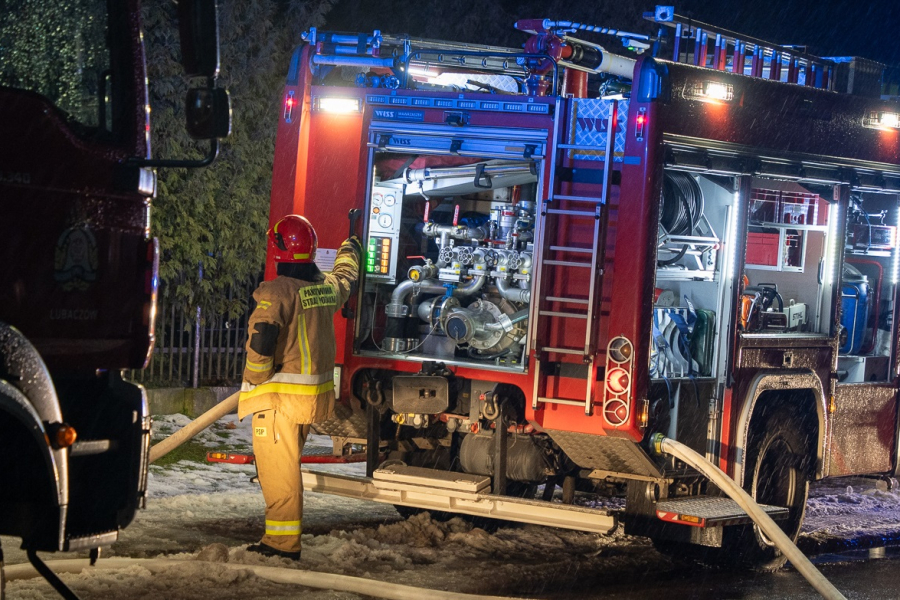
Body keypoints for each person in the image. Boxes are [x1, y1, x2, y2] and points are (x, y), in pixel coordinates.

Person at [239, 214, 361, 560]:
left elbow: (261, 342)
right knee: (286, 467)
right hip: (310, 401)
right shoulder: (322, 290)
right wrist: (350, 248)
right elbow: (345, 279)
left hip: (279, 402)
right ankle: (281, 541)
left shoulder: (277, 292)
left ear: (281, 251)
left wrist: (257, 378)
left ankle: (280, 545)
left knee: (279, 474)